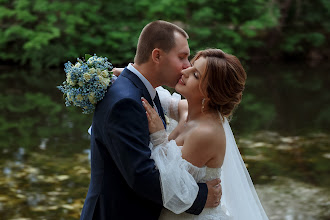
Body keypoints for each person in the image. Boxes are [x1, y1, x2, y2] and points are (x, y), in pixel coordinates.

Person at [80, 20, 222, 220]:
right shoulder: (126, 102)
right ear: (157, 55)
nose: (186, 66)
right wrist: (202, 197)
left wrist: (128, 72)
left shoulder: (142, 90)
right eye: (182, 57)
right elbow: (142, 177)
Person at [140, 48, 269, 219]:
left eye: (195, 75)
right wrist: (133, 75)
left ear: (210, 92)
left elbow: (174, 189)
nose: (184, 71)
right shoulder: (189, 110)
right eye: (191, 66)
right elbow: (163, 101)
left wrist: (159, 136)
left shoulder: (205, 133)